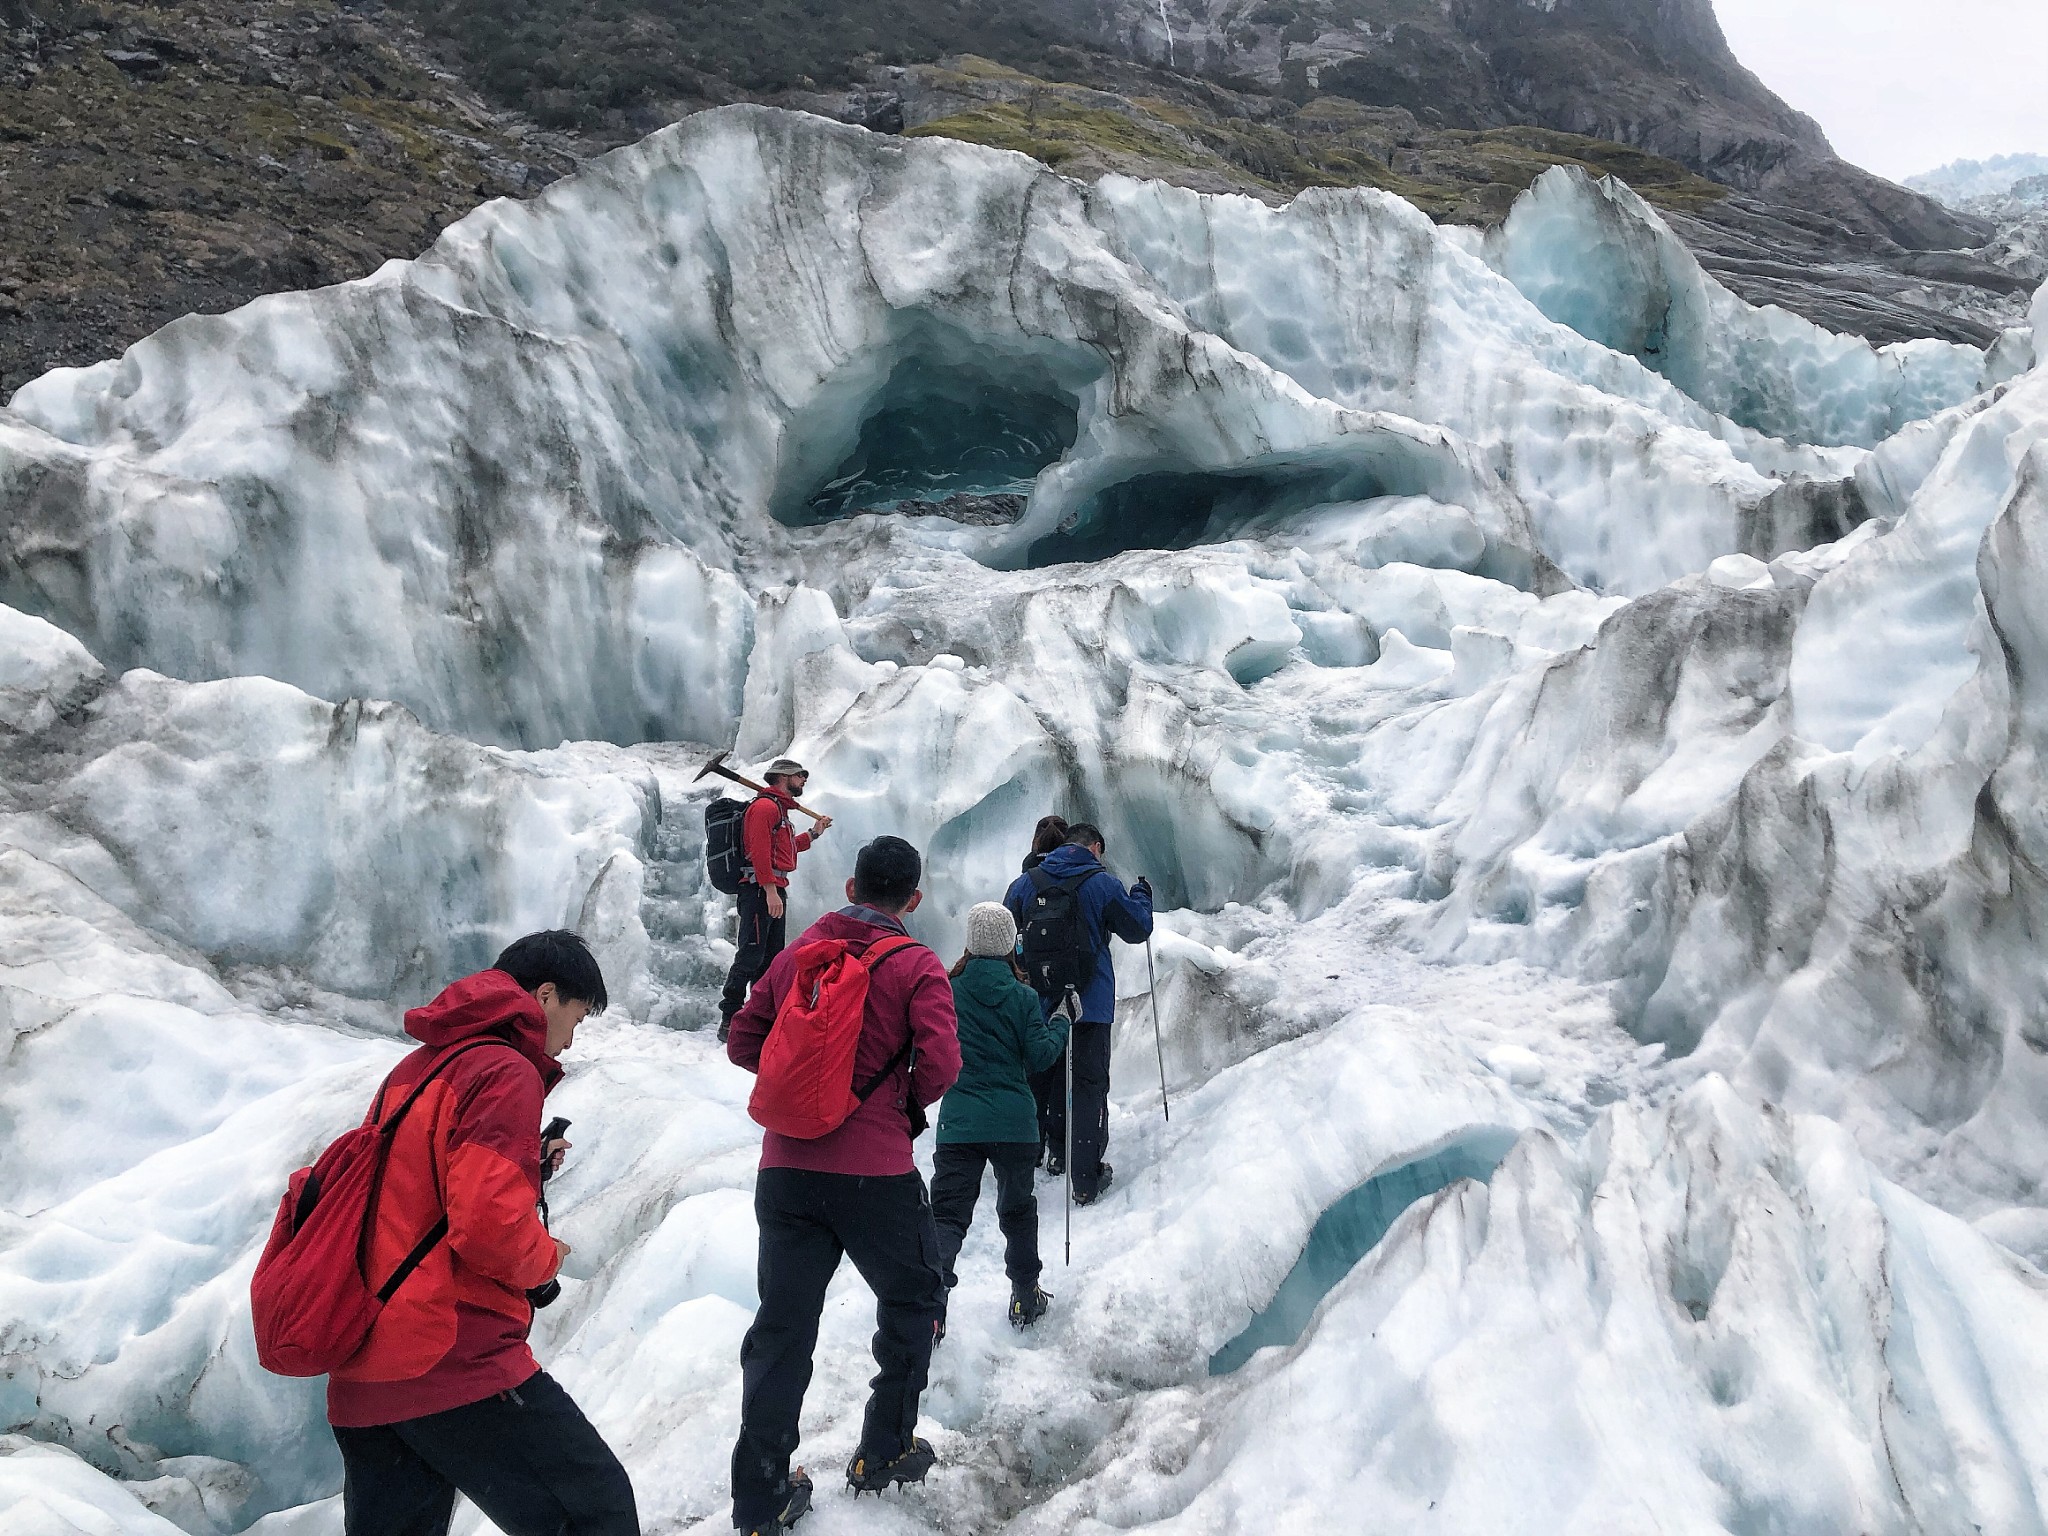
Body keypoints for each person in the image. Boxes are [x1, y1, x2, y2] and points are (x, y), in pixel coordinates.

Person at [328, 930, 638, 1536]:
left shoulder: (417, 1067)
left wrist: (525, 1163)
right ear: (545, 997)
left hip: (366, 1367)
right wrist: (545, 1257)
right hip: (448, 1354)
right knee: (596, 1510)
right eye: (574, 1020)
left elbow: (412, 1193)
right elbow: (488, 1226)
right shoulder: (504, 1069)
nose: (571, 1039)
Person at [725, 836, 961, 1536]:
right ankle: (882, 1450)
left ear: (853, 886)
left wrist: (804, 1089)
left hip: (786, 1172)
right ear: (912, 900)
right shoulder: (917, 965)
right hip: (875, 1173)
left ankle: (761, 1498)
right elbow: (943, 1062)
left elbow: (744, 1040)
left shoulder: (800, 955)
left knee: (782, 1329)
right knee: (915, 1294)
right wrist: (902, 1108)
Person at [931, 903, 1068, 1334]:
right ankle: (1025, 1296)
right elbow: (1041, 1055)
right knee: (1018, 1211)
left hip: (960, 1121)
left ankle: (930, 1309)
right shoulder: (1024, 997)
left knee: (947, 1217)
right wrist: (1063, 1020)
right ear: (1011, 943)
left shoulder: (946, 991)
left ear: (970, 942)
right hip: (1013, 1123)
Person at [1004, 823, 1153, 1205]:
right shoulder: (1102, 883)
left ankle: (1024, 1160)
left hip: (1039, 1002)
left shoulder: (1026, 883)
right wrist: (1141, 895)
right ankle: (1085, 1178)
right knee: (1087, 1086)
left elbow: (1007, 936)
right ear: (1095, 847)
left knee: (1036, 1080)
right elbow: (1137, 928)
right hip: (1091, 1004)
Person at [719, 759, 833, 1042]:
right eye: (799, 775)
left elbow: (787, 850)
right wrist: (769, 891)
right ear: (784, 777)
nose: (804, 779)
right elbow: (759, 852)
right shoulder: (765, 808)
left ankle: (757, 1018)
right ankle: (729, 1018)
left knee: (770, 959)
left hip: (772, 889)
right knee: (750, 955)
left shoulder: (780, 812)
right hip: (759, 891)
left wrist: (815, 833)